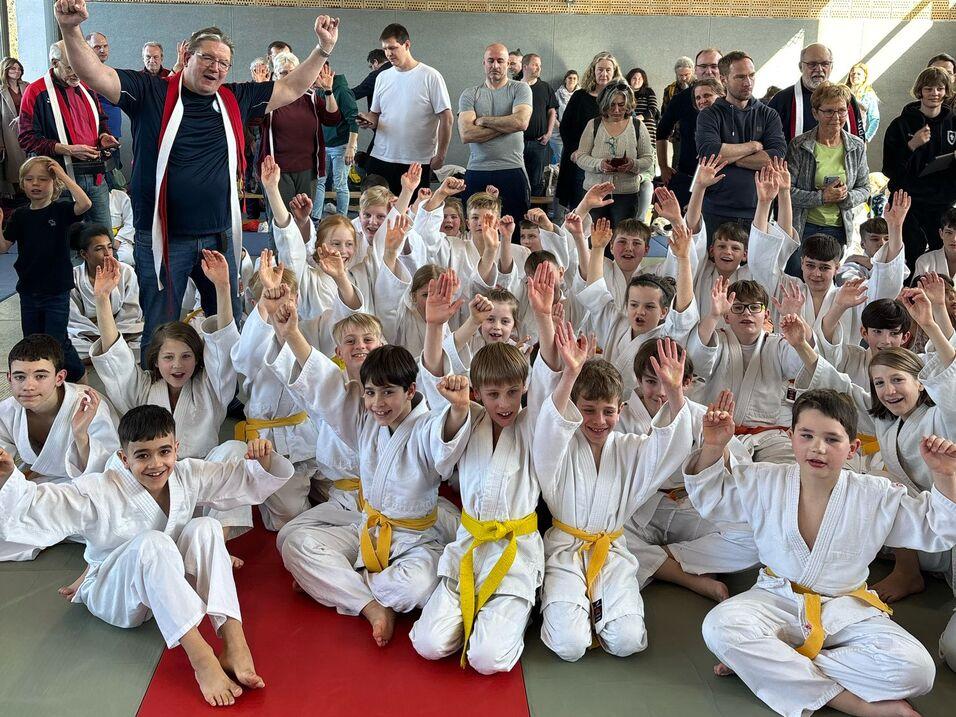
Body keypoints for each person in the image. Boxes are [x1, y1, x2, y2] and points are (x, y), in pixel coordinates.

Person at [52, 0, 340, 359]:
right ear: (187, 55)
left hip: (218, 233)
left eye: (223, 63)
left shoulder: (235, 98)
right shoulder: (149, 91)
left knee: (226, 317)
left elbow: (292, 87)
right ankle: (157, 391)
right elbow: (97, 75)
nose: (216, 67)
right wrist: (70, 29)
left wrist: (322, 49)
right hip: (161, 234)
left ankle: (228, 387)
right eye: (208, 58)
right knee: (161, 322)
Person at [0, 403, 296, 707]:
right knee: (153, 543)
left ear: (176, 448)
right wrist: (8, 479)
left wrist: (264, 460)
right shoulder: (100, 490)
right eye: (142, 455)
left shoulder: (187, 473)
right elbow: (47, 503)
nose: (156, 463)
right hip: (113, 594)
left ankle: (234, 641)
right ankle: (202, 657)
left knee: (206, 526)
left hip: (164, 592)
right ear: (124, 458)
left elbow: (240, 480)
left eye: (164, 451)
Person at [687, 389, 955, 717]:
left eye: (832, 439)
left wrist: (945, 475)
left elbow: (937, 527)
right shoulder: (765, 480)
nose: (818, 447)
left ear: (852, 448)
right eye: (807, 435)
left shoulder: (873, 495)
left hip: (845, 608)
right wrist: (714, 447)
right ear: (791, 437)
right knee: (719, 625)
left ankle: (768, 663)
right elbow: (712, 500)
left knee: (917, 671)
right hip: (776, 599)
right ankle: (851, 702)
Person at [269, 298, 471, 647]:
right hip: (369, 531)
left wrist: (458, 409)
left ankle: (343, 585)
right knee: (294, 544)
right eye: (371, 393)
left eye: (389, 393)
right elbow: (327, 387)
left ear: (410, 390)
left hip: (414, 540)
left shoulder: (425, 426)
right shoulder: (365, 417)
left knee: (413, 588)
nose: (378, 402)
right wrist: (291, 333)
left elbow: (447, 436)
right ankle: (371, 606)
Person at [409, 266, 559, 672]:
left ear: (525, 387)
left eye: (513, 391)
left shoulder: (533, 424)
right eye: (493, 394)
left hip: (516, 553)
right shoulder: (469, 416)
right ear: (478, 392)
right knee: (427, 643)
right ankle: (481, 616)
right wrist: (435, 326)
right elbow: (436, 379)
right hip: (469, 547)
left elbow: (550, 378)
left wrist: (544, 318)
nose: (505, 403)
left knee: (487, 658)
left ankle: (520, 609)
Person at [534, 327, 693, 662]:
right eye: (588, 410)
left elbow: (669, 447)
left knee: (628, 641)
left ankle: (596, 609)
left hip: (612, 551)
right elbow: (549, 428)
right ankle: (568, 606)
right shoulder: (561, 445)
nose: (598, 420)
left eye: (608, 411)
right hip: (565, 550)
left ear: (621, 409)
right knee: (570, 646)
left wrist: (676, 393)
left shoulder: (630, 448)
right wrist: (570, 375)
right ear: (575, 407)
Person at [621, 340, 758, 600]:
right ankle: (688, 576)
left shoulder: (703, 417)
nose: (661, 392)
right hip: (643, 512)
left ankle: (664, 556)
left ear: (687, 383)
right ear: (638, 380)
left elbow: (740, 473)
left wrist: (718, 445)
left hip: (691, 508)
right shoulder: (620, 419)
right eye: (652, 381)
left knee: (756, 539)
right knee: (609, 535)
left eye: (671, 381)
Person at [0, 334, 118, 561]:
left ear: (59, 377)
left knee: (109, 521)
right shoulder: (8, 410)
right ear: (9, 378)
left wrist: (80, 435)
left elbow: (108, 471)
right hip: (41, 489)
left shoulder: (87, 404)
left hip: (86, 491)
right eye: (20, 377)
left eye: (40, 376)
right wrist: (10, 473)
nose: (28, 386)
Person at [580, 219, 697, 394]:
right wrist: (597, 249)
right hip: (606, 404)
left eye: (650, 307)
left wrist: (683, 259)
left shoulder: (667, 336)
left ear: (664, 311)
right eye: (634, 305)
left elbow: (683, 313)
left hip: (645, 409)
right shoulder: (616, 322)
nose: (639, 312)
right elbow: (595, 293)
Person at [0, 157, 90, 382]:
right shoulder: (20, 215)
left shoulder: (60, 211)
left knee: (56, 340)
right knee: (32, 341)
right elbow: (3, 247)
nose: (35, 184)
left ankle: (77, 375)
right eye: (29, 179)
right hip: (29, 290)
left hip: (56, 290)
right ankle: (45, 380)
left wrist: (62, 173)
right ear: (22, 184)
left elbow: (85, 204)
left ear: (54, 183)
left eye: (42, 179)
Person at [17, 40, 116, 230]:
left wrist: (104, 136)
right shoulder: (35, 92)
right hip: (60, 182)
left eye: (80, 66)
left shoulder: (86, 88)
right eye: (71, 67)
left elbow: (101, 120)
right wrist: (67, 149)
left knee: (103, 240)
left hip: (95, 178)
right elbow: (27, 139)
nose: (77, 73)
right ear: (55, 63)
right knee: (65, 246)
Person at [696, 51, 787, 238]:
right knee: (713, 267)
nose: (748, 82)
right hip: (716, 209)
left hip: (757, 209)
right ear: (723, 79)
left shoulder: (768, 115)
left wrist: (731, 158)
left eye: (751, 75)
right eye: (740, 77)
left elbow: (775, 158)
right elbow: (709, 154)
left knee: (754, 267)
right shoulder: (709, 115)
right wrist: (753, 146)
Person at [357, 24, 452, 195]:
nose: (388, 54)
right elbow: (375, 115)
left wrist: (441, 156)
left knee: (411, 216)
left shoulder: (431, 76)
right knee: (376, 213)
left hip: (416, 162)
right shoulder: (382, 77)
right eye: (385, 49)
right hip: (381, 155)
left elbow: (447, 118)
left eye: (393, 48)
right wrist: (367, 120)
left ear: (407, 45)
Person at [786, 82, 870, 274]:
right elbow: (786, 191)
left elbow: (865, 188)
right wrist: (822, 197)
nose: (836, 117)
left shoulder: (856, 146)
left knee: (828, 284)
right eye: (829, 111)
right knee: (798, 281)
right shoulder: (800, 145)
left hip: (838, 229)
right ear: (815, 113)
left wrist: (845, 196)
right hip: (803, 228)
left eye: (841, 110)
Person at [259, 52, 340, 240]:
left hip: (306, 169)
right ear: (275, 75)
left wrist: (328, 91)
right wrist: (261, 88)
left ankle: (302, 263)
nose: (288, 76)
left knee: (303, 221)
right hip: (277, 171)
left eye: (292, 72)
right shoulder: (270, 98)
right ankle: (280, 266)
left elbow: (332, 118)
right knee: (280, 222)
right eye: (282, 72)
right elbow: (254, 121)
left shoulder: (310, 97)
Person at [882, 66, 956, 270]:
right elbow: (889, 169)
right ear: (920, 91)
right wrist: (912, 145)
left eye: (940, 89)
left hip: (941, 200)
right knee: (908, 252)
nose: (934, 93)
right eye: (929, 88)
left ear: (946, 91)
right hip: (908, 199)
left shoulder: (953, 123)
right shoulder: (901, 125)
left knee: (941, 254)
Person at [458, 44, 533, 222]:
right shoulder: (470, 94)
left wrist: (484, 121)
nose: (495, 65)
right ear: (484, 63)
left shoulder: (520, 89)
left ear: (508, 64)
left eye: (500, 61)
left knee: (513, 229)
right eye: (490, 61)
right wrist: (508, 124)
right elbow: (466, 134)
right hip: (477, 170)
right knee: (475, 229)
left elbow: (521, 122)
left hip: (512, 169)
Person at [574, 80, 654, 227]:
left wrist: (633, 164)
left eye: (621, 105)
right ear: (604, 104)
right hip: (594, 192)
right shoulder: (593, 124)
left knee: (621, 239)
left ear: (628, 104)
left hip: (626, 194)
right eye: (612, 105)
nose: (617, 110)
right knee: (595, 238)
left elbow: (648, 159)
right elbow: (581, 156)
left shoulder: (638, 126)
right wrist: (599, 164)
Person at [557, 52, 624, 211]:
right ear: (593, 71)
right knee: (580, 208)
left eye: (608, 70)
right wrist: (575, 151)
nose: (604, 74)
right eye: (600, 69)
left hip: (609, 162)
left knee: (604, 211)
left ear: (614, 72)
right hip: (582, 160)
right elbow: (566, 127)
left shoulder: (621, 98)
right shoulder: (580, 96)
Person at [656, 48, 722, 208]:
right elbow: (662, 132)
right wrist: (663, 167)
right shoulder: (681, 99)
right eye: (703, 66)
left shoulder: (734, 97)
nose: (709, 71)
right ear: (696, 69)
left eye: (714, 66)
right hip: (687, 176)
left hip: (724, 180)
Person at [68, 223, 143, 360]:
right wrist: (102, 339)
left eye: (109, 247)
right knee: (67, 345)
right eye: (99, 249)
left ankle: (98, 358)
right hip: (88, 336)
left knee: (146, 342)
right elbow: (74, 320)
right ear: (84, 254)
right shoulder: (73, 278)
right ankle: (112, 356)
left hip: (121, 332)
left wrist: (113, 338)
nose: (108, 253)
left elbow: (131, 311)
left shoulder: (126, 271)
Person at [767, 43, 865, 143]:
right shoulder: (782, 101)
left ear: (831, 67)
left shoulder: (847, 98)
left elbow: (860, 141)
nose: (819, 69)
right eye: (812, 64)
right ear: (801, 66)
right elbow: (768, 141)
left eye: (825, 64)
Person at [316, 66, 359, 220]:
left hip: (342, 145)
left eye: (315, 75)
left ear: (324, 72)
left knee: (340, 184)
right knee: (319, 182)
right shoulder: (317, 90)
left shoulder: (342, 90)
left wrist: (351, 147)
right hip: (324, 145)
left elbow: (354, 120)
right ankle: (316, 218)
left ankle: (342, 219)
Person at [521, 53, 558, 198]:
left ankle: (533, 216)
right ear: (525, 66)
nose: (538, 68)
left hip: (539, 142)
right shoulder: (515, 87)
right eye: (535, 64)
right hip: (517, 142)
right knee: (518, 179)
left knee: (536, 181)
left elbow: (552, 112)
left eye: (540, 65)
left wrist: (549, 134)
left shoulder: (545, 87)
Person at [626, 67, 659, 220]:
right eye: (634, 78)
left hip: (648, 133)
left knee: (647, 180)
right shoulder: (625, 94)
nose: (637, 80)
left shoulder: (649, 92)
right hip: (630, 136)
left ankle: (640, 221)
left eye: (639, 78)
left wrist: (638, 118)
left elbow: (653, 110)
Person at [0, 56, 27, 195]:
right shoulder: (1, 91)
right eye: (13, 68)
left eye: (19, 69)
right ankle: (20, 199)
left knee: (31, 165)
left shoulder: (27, 86)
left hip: (27, 130)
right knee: (15, 168)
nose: (17, 71)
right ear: (5, 70)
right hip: (9, 133)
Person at [915, 207, 956, 279]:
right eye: (949, 233)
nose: (954, 239)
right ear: (941, 233)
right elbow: (916, 290)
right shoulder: (925, 261)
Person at [846, 61, 880, 142]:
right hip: (842, 135)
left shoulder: (868, 95)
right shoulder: (843, 91)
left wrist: (867, 137)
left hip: (858, 136)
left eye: (858, 74)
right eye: (853, 73)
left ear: (865, 77)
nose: (855, 76)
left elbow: (875, 118)